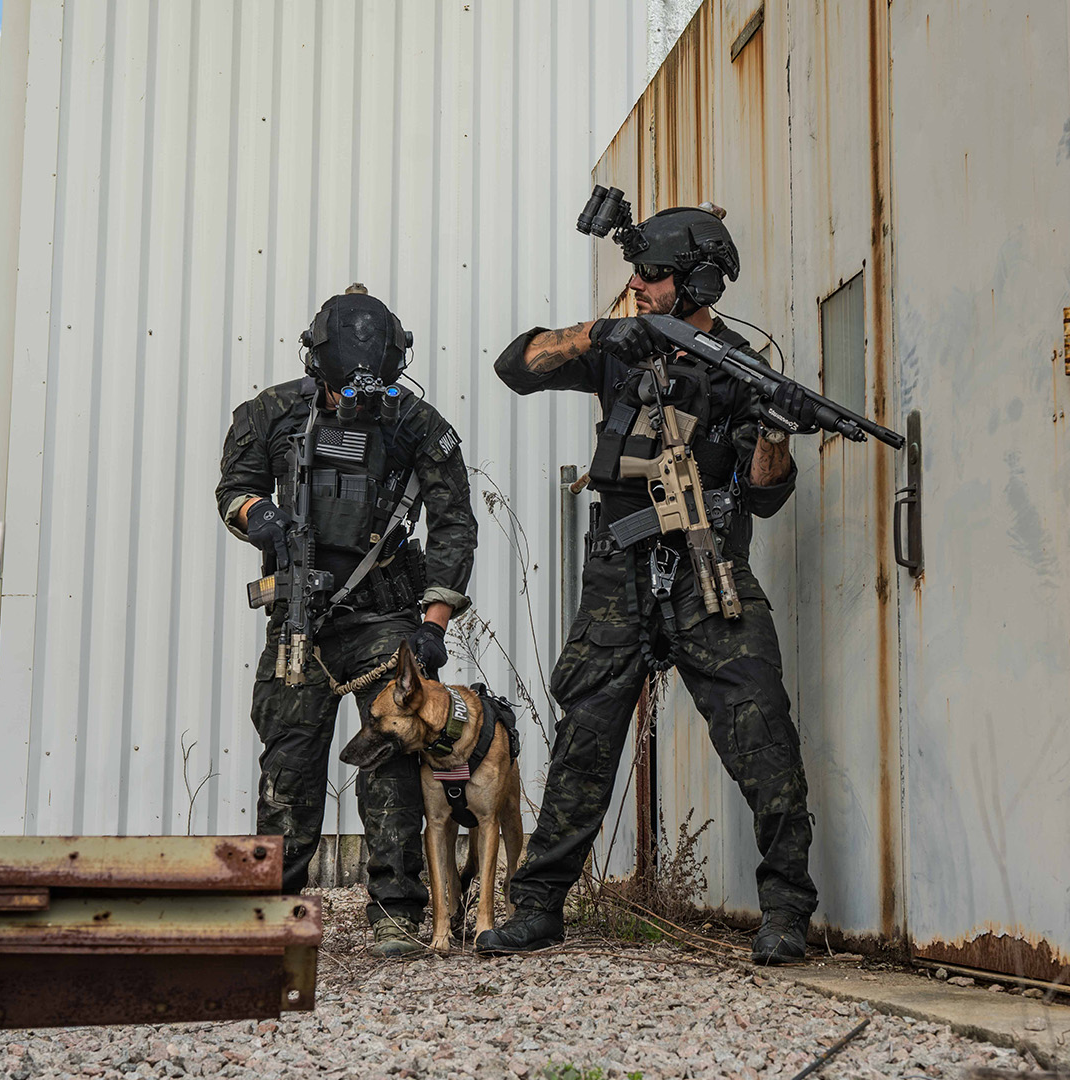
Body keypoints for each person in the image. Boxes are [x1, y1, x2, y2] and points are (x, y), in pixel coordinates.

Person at [477, 205, 826, 965]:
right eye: (636, 272)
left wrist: (773, 428)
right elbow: (515, 365)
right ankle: (538, 906)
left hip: (711, 575)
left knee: (762, 732)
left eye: (653, 275)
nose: (636, 284)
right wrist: (597, 335)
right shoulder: (619, 343)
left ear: (698, 282)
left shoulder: (743, 365)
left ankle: (787, 912)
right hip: (619, 573)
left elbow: (766, 494)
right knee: (583, 743)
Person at [216, 285, 478, 956]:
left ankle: (395, 911)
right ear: (317, 361)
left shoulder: (416, 425)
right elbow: (235, 491)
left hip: (384, 616)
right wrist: (262, 519)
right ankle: (274, 915)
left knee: (389, 762)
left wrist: (436, 622)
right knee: (290, 764)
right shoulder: (270, 413)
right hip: (299, 616)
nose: (358, 393)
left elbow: (454, 525)